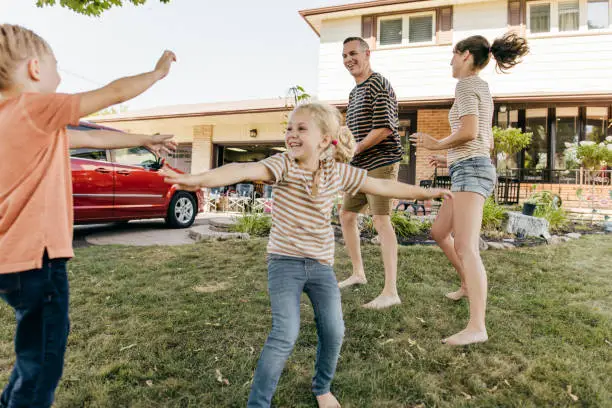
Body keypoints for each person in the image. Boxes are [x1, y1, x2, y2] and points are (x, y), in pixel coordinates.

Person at [162, 102, 451, 408]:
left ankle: (322, 387)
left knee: (334, 329)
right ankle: (258, 404)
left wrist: (426, 192)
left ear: (325, 139)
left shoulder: (337, 172)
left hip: (320, 266)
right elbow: (242, 169)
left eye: (301, 128)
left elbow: (379, 184)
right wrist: (196, 179)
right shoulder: (283, 164)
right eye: (289, 128)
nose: (292, 134)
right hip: (284, 263)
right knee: (285, 333)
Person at [0, 24, 177, 407]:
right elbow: (111, 93)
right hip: (38, 261)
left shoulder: (17, 122)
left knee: (30, 357)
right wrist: (157, 73)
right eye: (55, 67)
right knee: (43, 364)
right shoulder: (33, 107)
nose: (60, 76)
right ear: (34, 69)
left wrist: (143, 140)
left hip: (9, 264)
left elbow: (93, 138)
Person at [410, 33, 528, 346]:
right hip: (468, 167)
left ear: (465, 56)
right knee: (438, 232)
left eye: (452, 54)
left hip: (473, 171)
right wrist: (447, 156)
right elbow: (481, 141)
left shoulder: (466, 85)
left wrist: (438, 142)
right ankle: (465, 283)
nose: (450, 60)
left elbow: (470, 131)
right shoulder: (480, 87)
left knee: (466, 246)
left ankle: (477, 326)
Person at [338, 37, 405, 310]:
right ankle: (358, 273)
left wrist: (355, 148)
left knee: (380, 219)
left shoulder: (379, 84)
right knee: (346, 215)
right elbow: (352, 135)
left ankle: (391, 291)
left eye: (353, 53)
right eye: (344, 56)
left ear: (367, 53)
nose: (348, 59)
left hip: (381, 161)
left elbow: (386, 128)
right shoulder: (354, 93)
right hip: (359, 165)